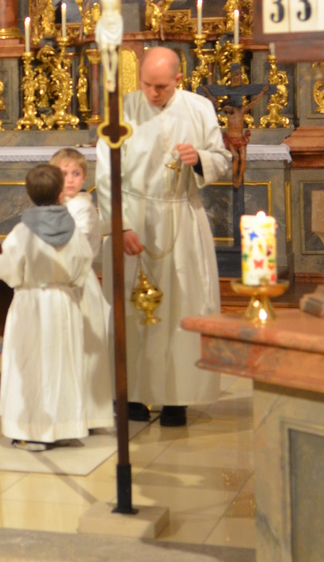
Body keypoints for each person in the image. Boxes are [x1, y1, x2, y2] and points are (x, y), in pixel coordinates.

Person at [95, 47, 231, 426]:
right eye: (147, 85)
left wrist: (200, 158)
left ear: (179, 80)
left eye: (162, 87)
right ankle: (131, 394)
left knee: (183, 307)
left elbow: (222, 159)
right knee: (131, 310)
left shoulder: (199, 108)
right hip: (132, 220)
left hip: (181, 217)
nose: (152, 93)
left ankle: (177, 397)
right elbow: (105, 173)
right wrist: (120, 224)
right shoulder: (122, 110)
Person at [0, 164, 94, 447]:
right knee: (61, 363)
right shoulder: (72, 230)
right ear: (61, 193)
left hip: (30, 302)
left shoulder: (22, 231)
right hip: (63, 302)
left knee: (28, 363)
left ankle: (28, 428)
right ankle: (63, 427)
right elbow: (83, 264)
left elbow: (8, 268)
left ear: (29, 194)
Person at [50, 148, 114, 431]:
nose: (70, 179)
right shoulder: (54, 206)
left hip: (80, 281)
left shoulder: (84, 208)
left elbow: (75, 239)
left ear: (85, 177)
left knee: (85, 344)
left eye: (75, 173)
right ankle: (65, 409)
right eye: (63, 174)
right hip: (58, 280)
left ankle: (90, 412)